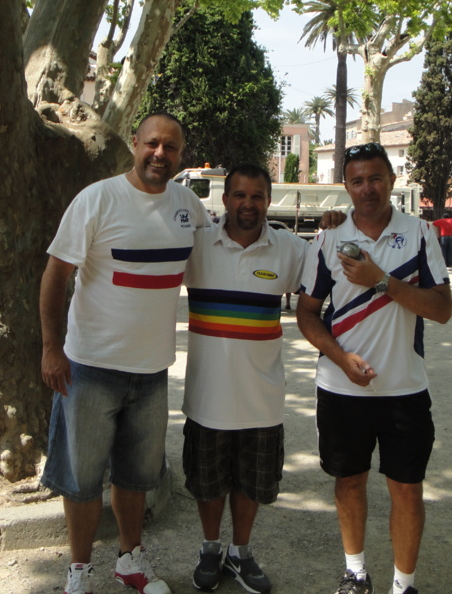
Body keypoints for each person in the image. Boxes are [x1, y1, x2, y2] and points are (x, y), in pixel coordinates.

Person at [39, 113, 210, 594]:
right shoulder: (98, 199)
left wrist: (326, 229)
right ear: (135, 143)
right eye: (153, 143)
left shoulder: (188, 207)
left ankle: (130, 561)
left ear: (181, 154)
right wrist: (52, 348)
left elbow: (225, 252)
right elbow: (56, 275)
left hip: (152, 372)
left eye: (171, 147)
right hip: (89, 369)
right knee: (82, 479)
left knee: (137, 478)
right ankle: (78, 569)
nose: (161, 154)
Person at [297, 142, 452, 594]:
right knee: (349, 482)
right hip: (341, 388)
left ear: (391, 180)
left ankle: (403, 585)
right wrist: (340, 358)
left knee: (407, 489)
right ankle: (356, 572)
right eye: (358, 180)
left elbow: (442, 310)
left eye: (376, 178)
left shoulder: (421, 233)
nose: (368, 188)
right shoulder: (327, 240)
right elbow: (307, 314)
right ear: (345, 186)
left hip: (404, 388)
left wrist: (381, 281)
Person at [182, 164, 308, 594]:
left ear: (268, 201)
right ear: (225, 200)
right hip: (207, 394)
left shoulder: (291, 250)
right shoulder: (196, 246)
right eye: (239, 195)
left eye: (257, 196)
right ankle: (210, 548)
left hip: (262, 396)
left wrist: (333, 227)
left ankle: (240, 552)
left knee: (252, 482)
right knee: (208, 480)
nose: (248, 204)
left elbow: (327, 284)